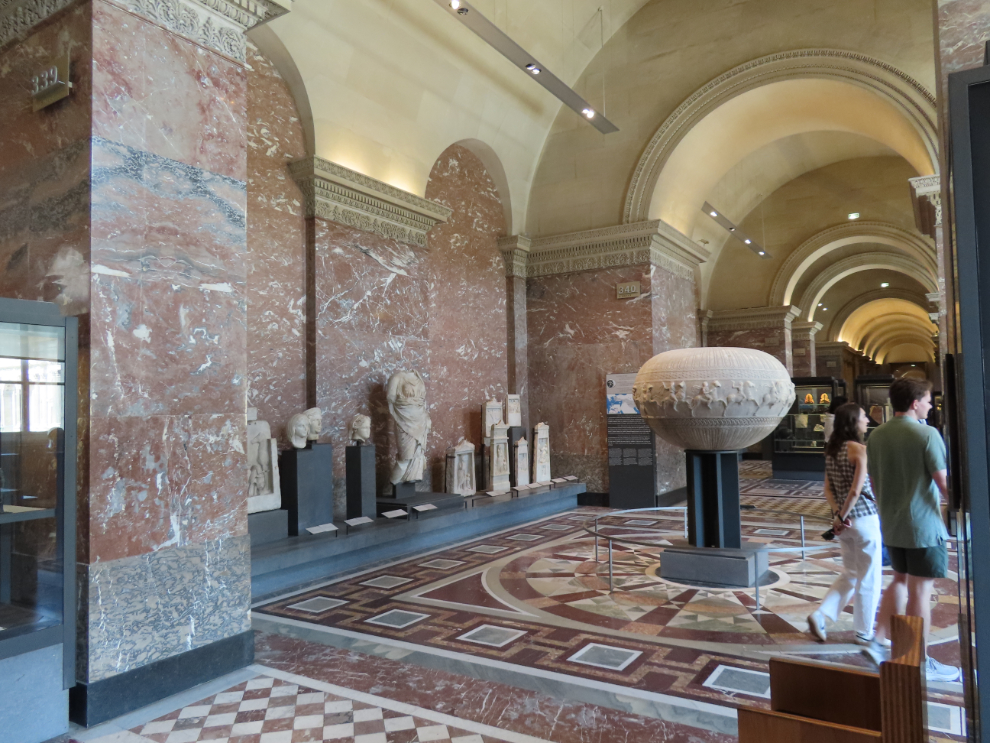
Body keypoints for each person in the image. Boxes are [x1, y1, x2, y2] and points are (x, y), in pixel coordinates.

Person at [862, 378, 960, 682]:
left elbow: (875, 484)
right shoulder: (927, 434)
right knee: (921, 590)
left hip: (892, 524)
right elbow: (944, 484)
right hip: (923, 527)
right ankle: (919, 659)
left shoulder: (876, 436)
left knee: (900, 580)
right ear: (915, 402)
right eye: (928, 400)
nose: (930, 405)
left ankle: (879, 640)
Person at [807, 403, 882, 644]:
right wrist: (842, 515)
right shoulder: (859, 449)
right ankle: (863, 631)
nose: (867, 420)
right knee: (869, 576)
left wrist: (838, 516)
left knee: (851, 572)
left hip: (845, 524)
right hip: (864, 519)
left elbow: (828, 488)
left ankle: (821, 614)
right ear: (852, 421)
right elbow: (856, 490)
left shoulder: (832, 449)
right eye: (863, 416)